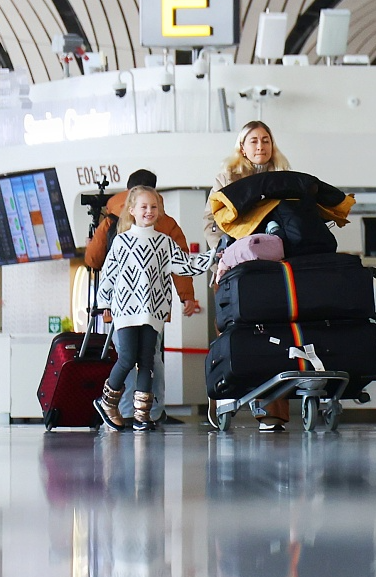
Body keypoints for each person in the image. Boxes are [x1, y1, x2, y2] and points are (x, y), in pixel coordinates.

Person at [94, 186, 215, 430]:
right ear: (132, 210)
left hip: (154, 310)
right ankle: (107, 401)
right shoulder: (122, 241)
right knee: (127, 357)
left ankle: (142, 415)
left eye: (153, 207)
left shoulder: (165, 242)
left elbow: (186, 266)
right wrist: (104, 303)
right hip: (126, 310)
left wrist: (214, 255)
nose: (149, 211)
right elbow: (108, 273)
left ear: (159, 210)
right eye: (144, 207)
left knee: (147, 360)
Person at [204, 120, 294, 429]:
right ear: (243, 147)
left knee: (274, 337)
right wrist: (226, 252)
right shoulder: (227, 178)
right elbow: (211, 220)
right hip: (235, 266)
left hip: (272, 267)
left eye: (265, 140)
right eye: (253, 141)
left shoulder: (283, 178)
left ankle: (271, 411)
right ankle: (225, 396)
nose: (260, 146)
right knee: (234, 334)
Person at [84, 168, 201, 318]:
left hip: (119, 304)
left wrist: (90, 246)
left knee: (120, 341)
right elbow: (180, 262)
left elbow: (93, 260)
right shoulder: (167, 224)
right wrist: (187, 296)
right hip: (154, 306)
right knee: (151, 341)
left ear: (127, 191)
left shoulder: (110, 221)